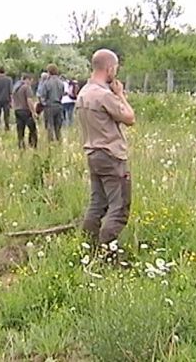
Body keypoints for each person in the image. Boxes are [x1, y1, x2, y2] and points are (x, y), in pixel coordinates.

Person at [76, 48, 136, 250]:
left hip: (93, 153)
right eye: (115, 69)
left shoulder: (84, 92)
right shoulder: (104, 95)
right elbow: (130, 118)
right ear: (109, 68)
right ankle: (107, 252)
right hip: (111, 155)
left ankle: (87, 247)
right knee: (119, 207)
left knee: (97, 204)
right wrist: (121, 95)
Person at [38, 64, 64, 142]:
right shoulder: (61, 82)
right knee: (58, 127)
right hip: (59, 105)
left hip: (49, 106)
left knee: (49, 125)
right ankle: (59, 141)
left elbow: (42, 96)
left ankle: (50, 142)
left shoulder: (47, 83)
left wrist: (43, 104)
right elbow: (62, 94)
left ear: (49, 71)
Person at [12, 74, 38, 149]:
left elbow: (12, 99)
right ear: (27, 79)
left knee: (20, 130)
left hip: (17, 110)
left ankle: (21, 146)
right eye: (31, 80)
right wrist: (33, 112)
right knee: (33, 129)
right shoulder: (26, 87)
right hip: (26, 111)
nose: (31, 83)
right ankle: (33, 145)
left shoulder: (16, 88)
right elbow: (29, 100)